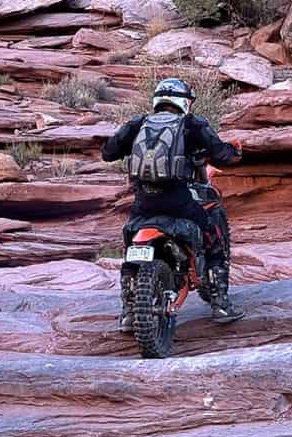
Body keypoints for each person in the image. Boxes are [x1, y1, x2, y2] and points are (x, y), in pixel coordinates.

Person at [102, 77, 244, 329]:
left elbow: (108, 153)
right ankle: (220, 303)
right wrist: (235, 151)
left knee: (129, 246)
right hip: (179, 200)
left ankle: (128, 310)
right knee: (212, 235)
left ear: (157, 100)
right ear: (184, 102)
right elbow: (222, 155)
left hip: (144, 202)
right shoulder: (192, 124)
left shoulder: (138, 123)